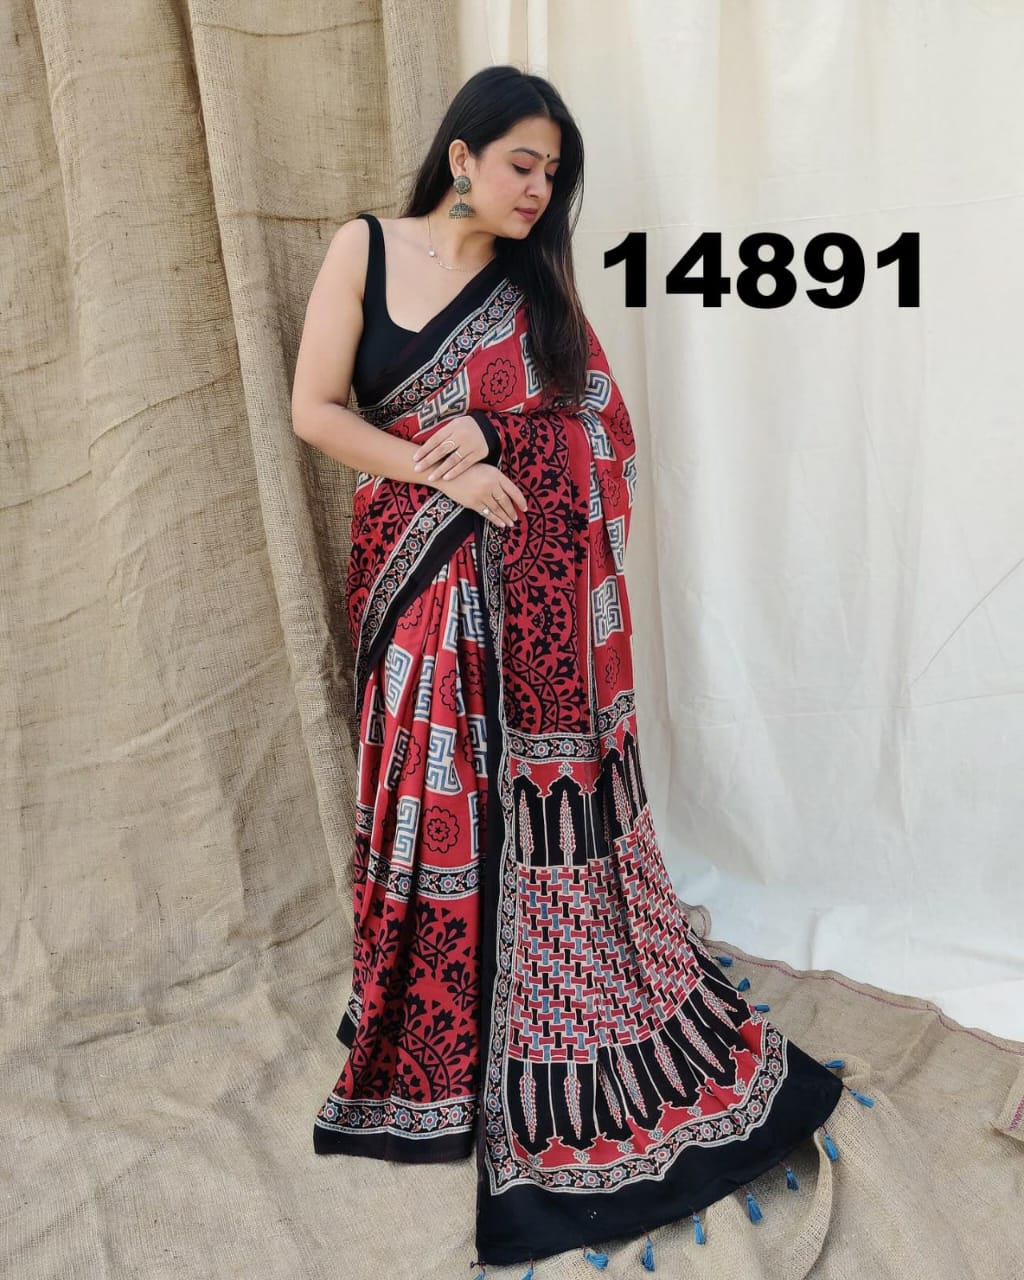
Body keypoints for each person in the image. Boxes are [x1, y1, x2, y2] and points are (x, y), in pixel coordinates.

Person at [291, 63, 863, 1273]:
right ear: (461, 155)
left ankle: (533, 1008)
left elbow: (603, 433)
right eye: (521, 164)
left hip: (526, 608)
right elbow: (317, 410)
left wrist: (501, 434)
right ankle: (430, 1023)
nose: (538, 191)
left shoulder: (534, 288)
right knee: (430, 796)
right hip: (413, 580)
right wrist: (445, 468)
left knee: (514, 803)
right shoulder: (364, 248)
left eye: (552, 175)